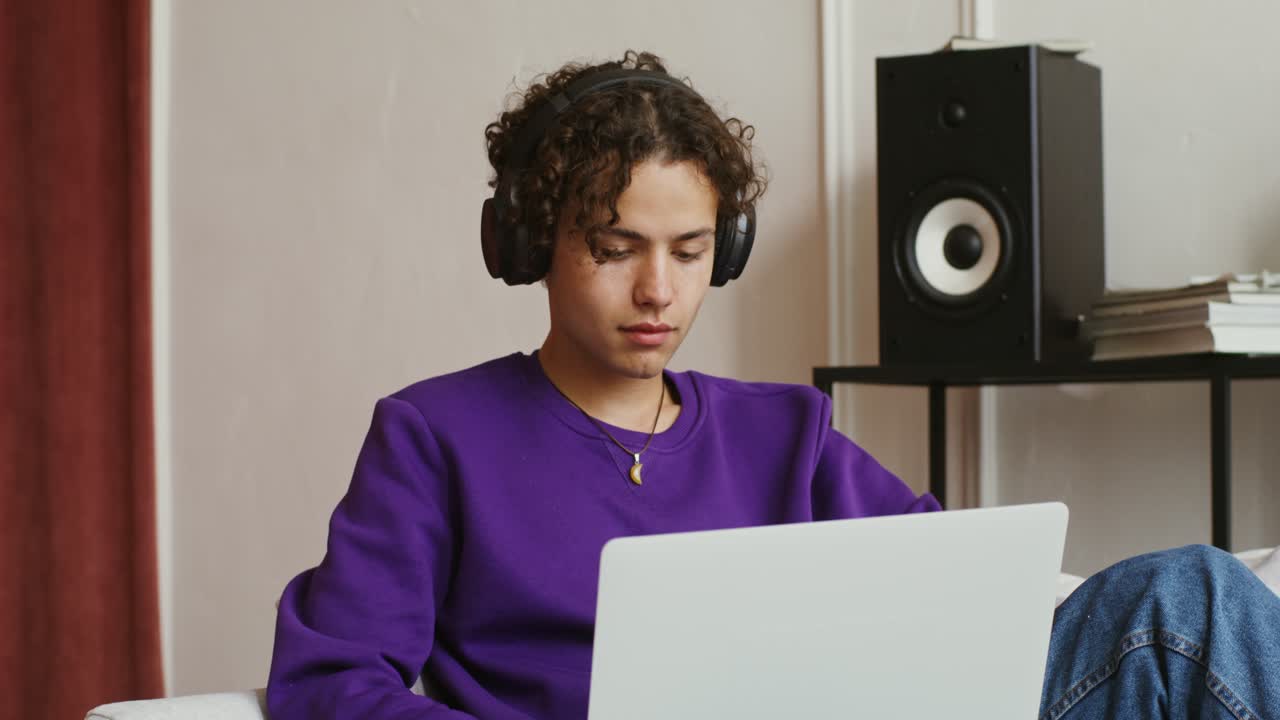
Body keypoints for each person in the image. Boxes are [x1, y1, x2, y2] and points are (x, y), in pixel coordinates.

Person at [266, 50, 1280, 720]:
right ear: (532, 242)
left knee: (1183, 596)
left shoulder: (784, 432)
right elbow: (332, 680)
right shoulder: (434, 437)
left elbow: (962, 588)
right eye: (616, 248)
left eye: (692, 249)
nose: (657, 290)